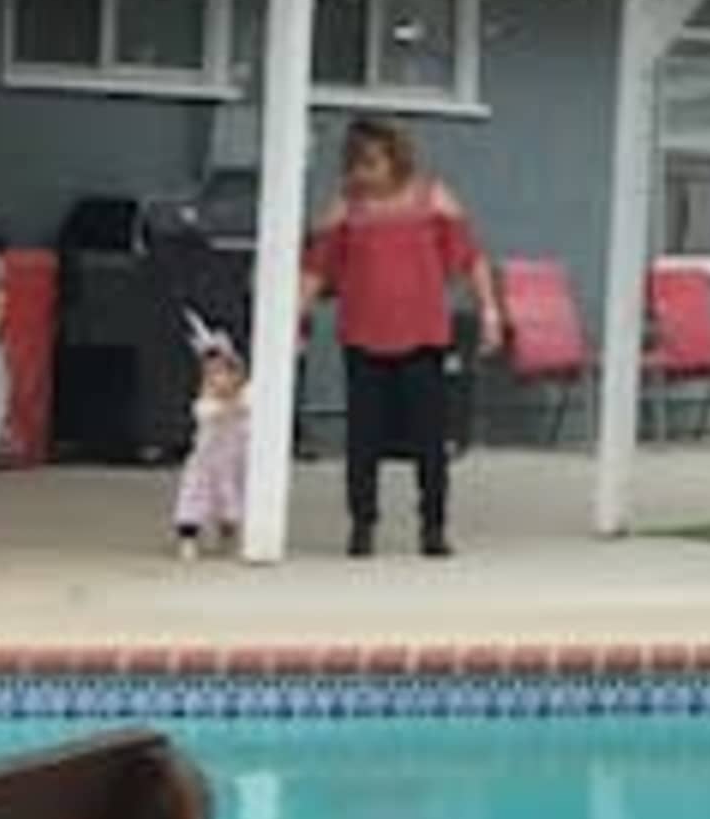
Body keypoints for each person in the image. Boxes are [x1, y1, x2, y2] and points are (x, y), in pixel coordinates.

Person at [301, 117, 503, 559]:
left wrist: (489, 311)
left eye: (372, 163)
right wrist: (298, 317)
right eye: (355, 164)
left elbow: (471, 258)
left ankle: (433, 526)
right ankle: (362, 524)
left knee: (429, 437)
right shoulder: (345, 209)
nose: (363, 173)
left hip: (423, 334)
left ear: (396, 160)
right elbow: (316, 269)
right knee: (363, 436)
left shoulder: (434, 200)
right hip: (363, 334)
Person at [171, 332, 251, 559]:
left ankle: (227, 533)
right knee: (195, 498)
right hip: (207, 464)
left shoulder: (247, 398)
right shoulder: (205, 404)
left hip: (234, 462)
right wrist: (227, 404)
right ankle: (188, 537)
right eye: (211, 375)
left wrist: (237, 400)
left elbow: (248, 411)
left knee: (230, 501)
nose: (219, 380)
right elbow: (211, 414)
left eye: (224, 373)